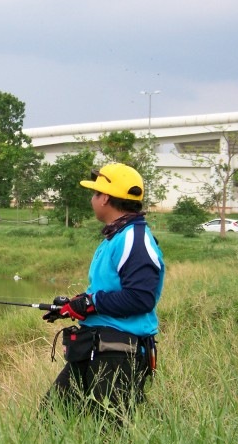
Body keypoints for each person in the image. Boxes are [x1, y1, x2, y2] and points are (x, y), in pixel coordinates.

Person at [42, 163, 165, 418]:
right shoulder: (116, 236)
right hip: (94, 346)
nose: (92, 199)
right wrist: (73, 305)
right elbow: (105, 292)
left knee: (108, 434)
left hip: (120, 354)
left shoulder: (135, 238)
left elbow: (141, 298)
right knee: (51, 417)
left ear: (105, 198)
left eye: (95, 193)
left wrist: (91, 303)